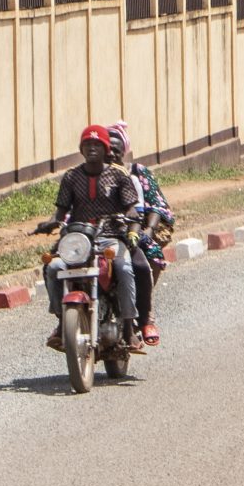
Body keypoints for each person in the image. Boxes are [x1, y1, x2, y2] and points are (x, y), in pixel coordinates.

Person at [35, 125, 144, 350]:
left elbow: (131, 207)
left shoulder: (119, 174)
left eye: (97, 145)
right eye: (87, 144)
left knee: (124, 268)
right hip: (77, 239)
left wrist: (132, 220)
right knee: (53, 267)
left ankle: (128, 329)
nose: (92, 148)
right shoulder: (71, 177)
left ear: (105, 149)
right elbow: (61, 211)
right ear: (81, 149)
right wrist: (51, 222)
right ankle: (62, 321)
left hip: (110, 237)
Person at [105, 122, 172, 346]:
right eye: (107, 147)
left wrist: (146, 231)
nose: (111, 153)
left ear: (124, 149)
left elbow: (156, 206)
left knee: (145, 262)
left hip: (131, 233)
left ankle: (145, 317)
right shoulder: (88, 175)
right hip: (97, 236)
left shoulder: (135, 174)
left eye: (116, 148)